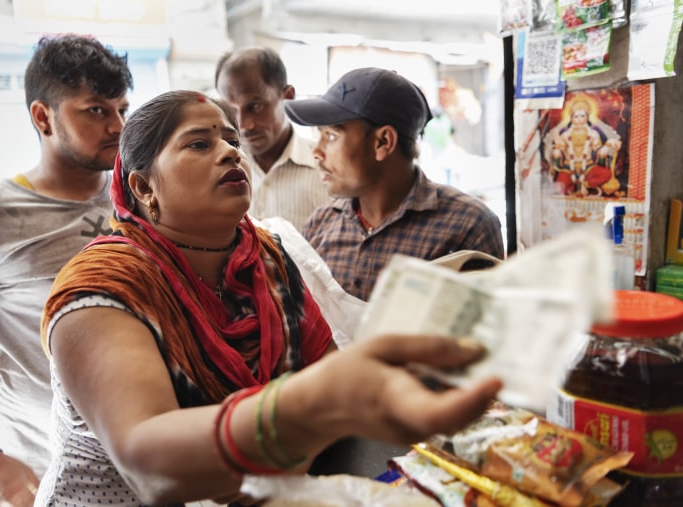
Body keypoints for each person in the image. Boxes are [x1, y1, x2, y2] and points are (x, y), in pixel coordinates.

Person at [34, 90, 503, 506]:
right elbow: (152, 467)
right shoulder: (103, 285)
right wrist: (322, 400)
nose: (229, 154)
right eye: (200, 143)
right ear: (142, 187)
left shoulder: (269, 259)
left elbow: (331, 387)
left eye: (232, 142)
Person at [0, 34, 132, 506]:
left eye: (122, 108)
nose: (118, 125)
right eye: (96, 110)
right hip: (51, 475)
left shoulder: (142, 196)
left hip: (152, 462)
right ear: (43, 117)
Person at [284, 67, 505, 301]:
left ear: (383, 142)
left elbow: (483, 332)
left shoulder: (467, 226)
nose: (317, 151)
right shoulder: (320, 226)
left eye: (331, 136)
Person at [215, 47, 330, 230]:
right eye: (231, 111)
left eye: (256, 106)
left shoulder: (329, 171)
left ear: (288, 96)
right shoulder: (217, 172)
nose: (243, 125)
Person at [548, 97, 622, 197]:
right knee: (560, 186)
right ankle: (572, 192)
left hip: (588, 167)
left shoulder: (593, 134)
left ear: (587, 117)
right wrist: (557, 148)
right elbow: (559, 150)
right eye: (576, 116)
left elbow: (599, 151)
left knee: (606, 174)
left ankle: (585, 185)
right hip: (568, 168)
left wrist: (608, 144)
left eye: (582, 116)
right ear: (571, 118)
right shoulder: (565, 135)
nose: (580, 120)